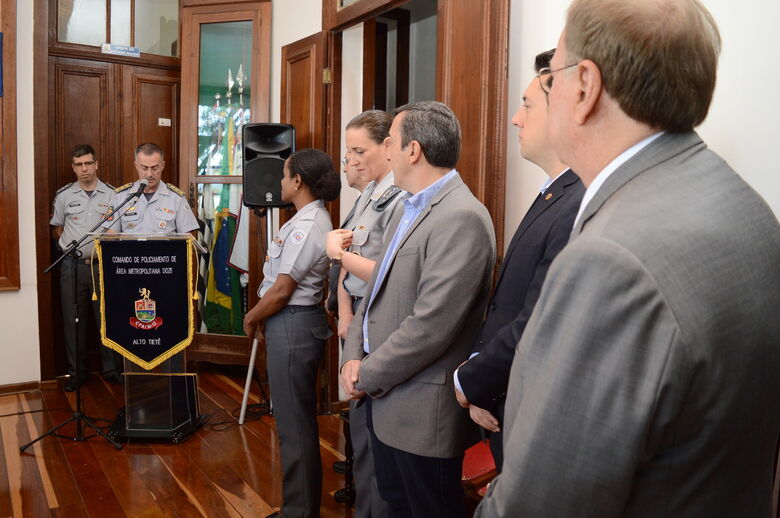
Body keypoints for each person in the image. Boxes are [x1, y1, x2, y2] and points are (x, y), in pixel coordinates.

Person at [475, 0, 780, 516]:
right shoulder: (748, 206)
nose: (546, 90)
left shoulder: (607, 262)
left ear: (586, 86)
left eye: (551, 76)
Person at [340, 101, 496, 518]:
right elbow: (372, 294)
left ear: (413, 151)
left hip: (422, 416)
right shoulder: (407, 208)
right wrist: (352, 353)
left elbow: (431, 326)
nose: (384, 150)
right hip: (386, 402)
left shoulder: (462, 216)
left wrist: (365, 374)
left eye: (390, 140)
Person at [453, 49, 584, 471]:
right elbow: (502, 304)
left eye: (527, 105)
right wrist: (479, 377)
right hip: (502, 396)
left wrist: (471, 381)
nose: (515, 118)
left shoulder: (579, 201)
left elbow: (538, 319)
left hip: (530, 405)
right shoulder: (555, 191)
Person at [243, 148, 340, 518]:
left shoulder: (308, 225)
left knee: (294, 428)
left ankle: (299, 513)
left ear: (298, 181)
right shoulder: (303, 219)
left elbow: (283, 289)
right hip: (290, 323)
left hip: (294, 323)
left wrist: (251, 317)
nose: (280, 183)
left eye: (285, 176)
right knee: (292, 424)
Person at [326, 110, 401, 518]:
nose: (350, 161)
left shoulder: (400, 199)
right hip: (355, 322)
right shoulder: (366, 198)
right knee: (359, 432)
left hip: (379, 324)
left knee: (374, 442)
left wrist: (339, 254)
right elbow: (344, 266)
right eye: (347, 152)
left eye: (359, 151)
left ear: (387, 149)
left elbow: (388, 272)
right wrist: (343, 311)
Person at [50, 144, 122, 390]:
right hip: (73, 266)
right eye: (79, 165)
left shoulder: (113, 194)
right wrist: (70, 249)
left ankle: (111, 368)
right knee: (73, 320)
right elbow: (57, 227)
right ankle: (77, 372)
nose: (84, 169)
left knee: (108, 317)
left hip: (103, 266)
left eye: (88, 163)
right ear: (73, 167)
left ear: (96, 164)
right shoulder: (64, 196)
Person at [107, 142, 198, 235]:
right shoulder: (120, 197)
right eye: (145, 168)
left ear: (162, 165)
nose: (149, 174)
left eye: (155, 168)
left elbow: (188, 239)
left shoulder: (176, 198)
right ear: (136, 165)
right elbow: (111, 235)